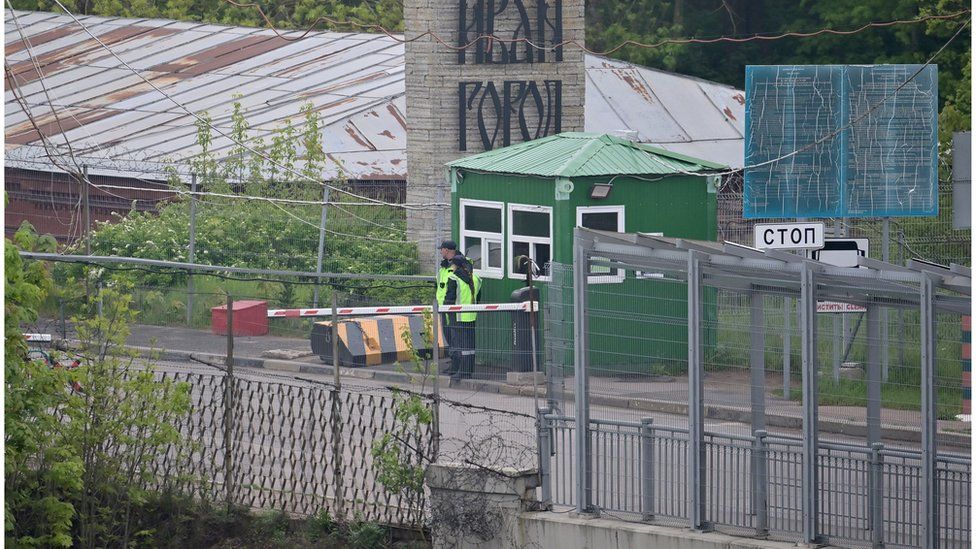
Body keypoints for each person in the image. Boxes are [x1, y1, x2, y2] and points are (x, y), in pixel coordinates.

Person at [443, 255, 477, 380]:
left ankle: (461, 371)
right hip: (471, 316)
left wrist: (445, 310)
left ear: (455, 265)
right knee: (470, 346)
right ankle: (468, 370)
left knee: (460, 345)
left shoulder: (454, 278)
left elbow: (449, 298)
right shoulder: (475, 278)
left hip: (457, 316)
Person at [437, 240, 468, 372]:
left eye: (441, 249)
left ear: (447, 250)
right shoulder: (444, 267)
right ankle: (453, 363)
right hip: (444, 308)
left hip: (453, 309)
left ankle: (456, 365)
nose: (440, 252)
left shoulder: (459, 266)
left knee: (456, 338)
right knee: (449, 336)